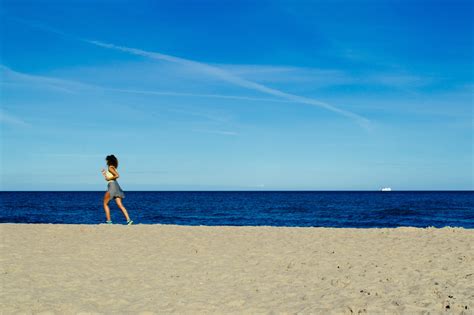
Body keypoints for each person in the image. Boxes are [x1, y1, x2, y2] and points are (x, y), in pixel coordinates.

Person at [101, 155, 133, 225]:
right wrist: (104, 174)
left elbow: (117, 175)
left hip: (112, 186)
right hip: (116, 185)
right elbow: (110, 178)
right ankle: (129, 220)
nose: (106, 162)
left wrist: (108, 178)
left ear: (109, 161)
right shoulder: (113, 168)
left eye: (106, 160)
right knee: (120, 204)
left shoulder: (110, 168)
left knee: (105, 203)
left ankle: (109, 221)